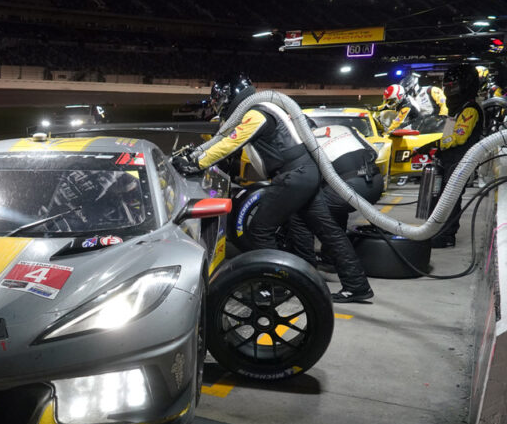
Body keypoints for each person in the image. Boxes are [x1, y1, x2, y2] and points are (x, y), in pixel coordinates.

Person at [191, 73, 373, 302]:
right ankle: (356, 285)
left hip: (292, 176)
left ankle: (273, 287)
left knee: (259, 230)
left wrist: (196, 161)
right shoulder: (266, 107)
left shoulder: (255, 113)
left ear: (229, 96)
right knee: (328, 231)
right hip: (305, 173)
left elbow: (229, 143)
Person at [287, 123, 383, 268]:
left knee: (299, 214)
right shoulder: (344, 128)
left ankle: (305, 266)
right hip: (376, 183)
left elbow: (307, 174)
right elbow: (374, 152)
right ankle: (330, 259)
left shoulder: (308, 140)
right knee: (335, 210)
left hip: (351, 187)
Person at [428, 64, 483, 248]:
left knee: (450, 199)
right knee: (440, 197)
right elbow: (449, 135)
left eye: (453, 87)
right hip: (450, 160)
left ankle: (446, 236)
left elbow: (459, 138)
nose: (449, 91)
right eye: (447, 87)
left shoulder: (470, 109)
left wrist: (436, 144)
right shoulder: (457, 109)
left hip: (460, 161)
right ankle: (437, 232)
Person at [380, 72, 448, 134]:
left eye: (408, 91)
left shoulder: (431, 90)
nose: (406, 94)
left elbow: (444, 104)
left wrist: (442, 117)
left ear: (414, 86)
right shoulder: (409, 100)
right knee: (400, 128)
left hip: (436, 121)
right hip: (421, 124)